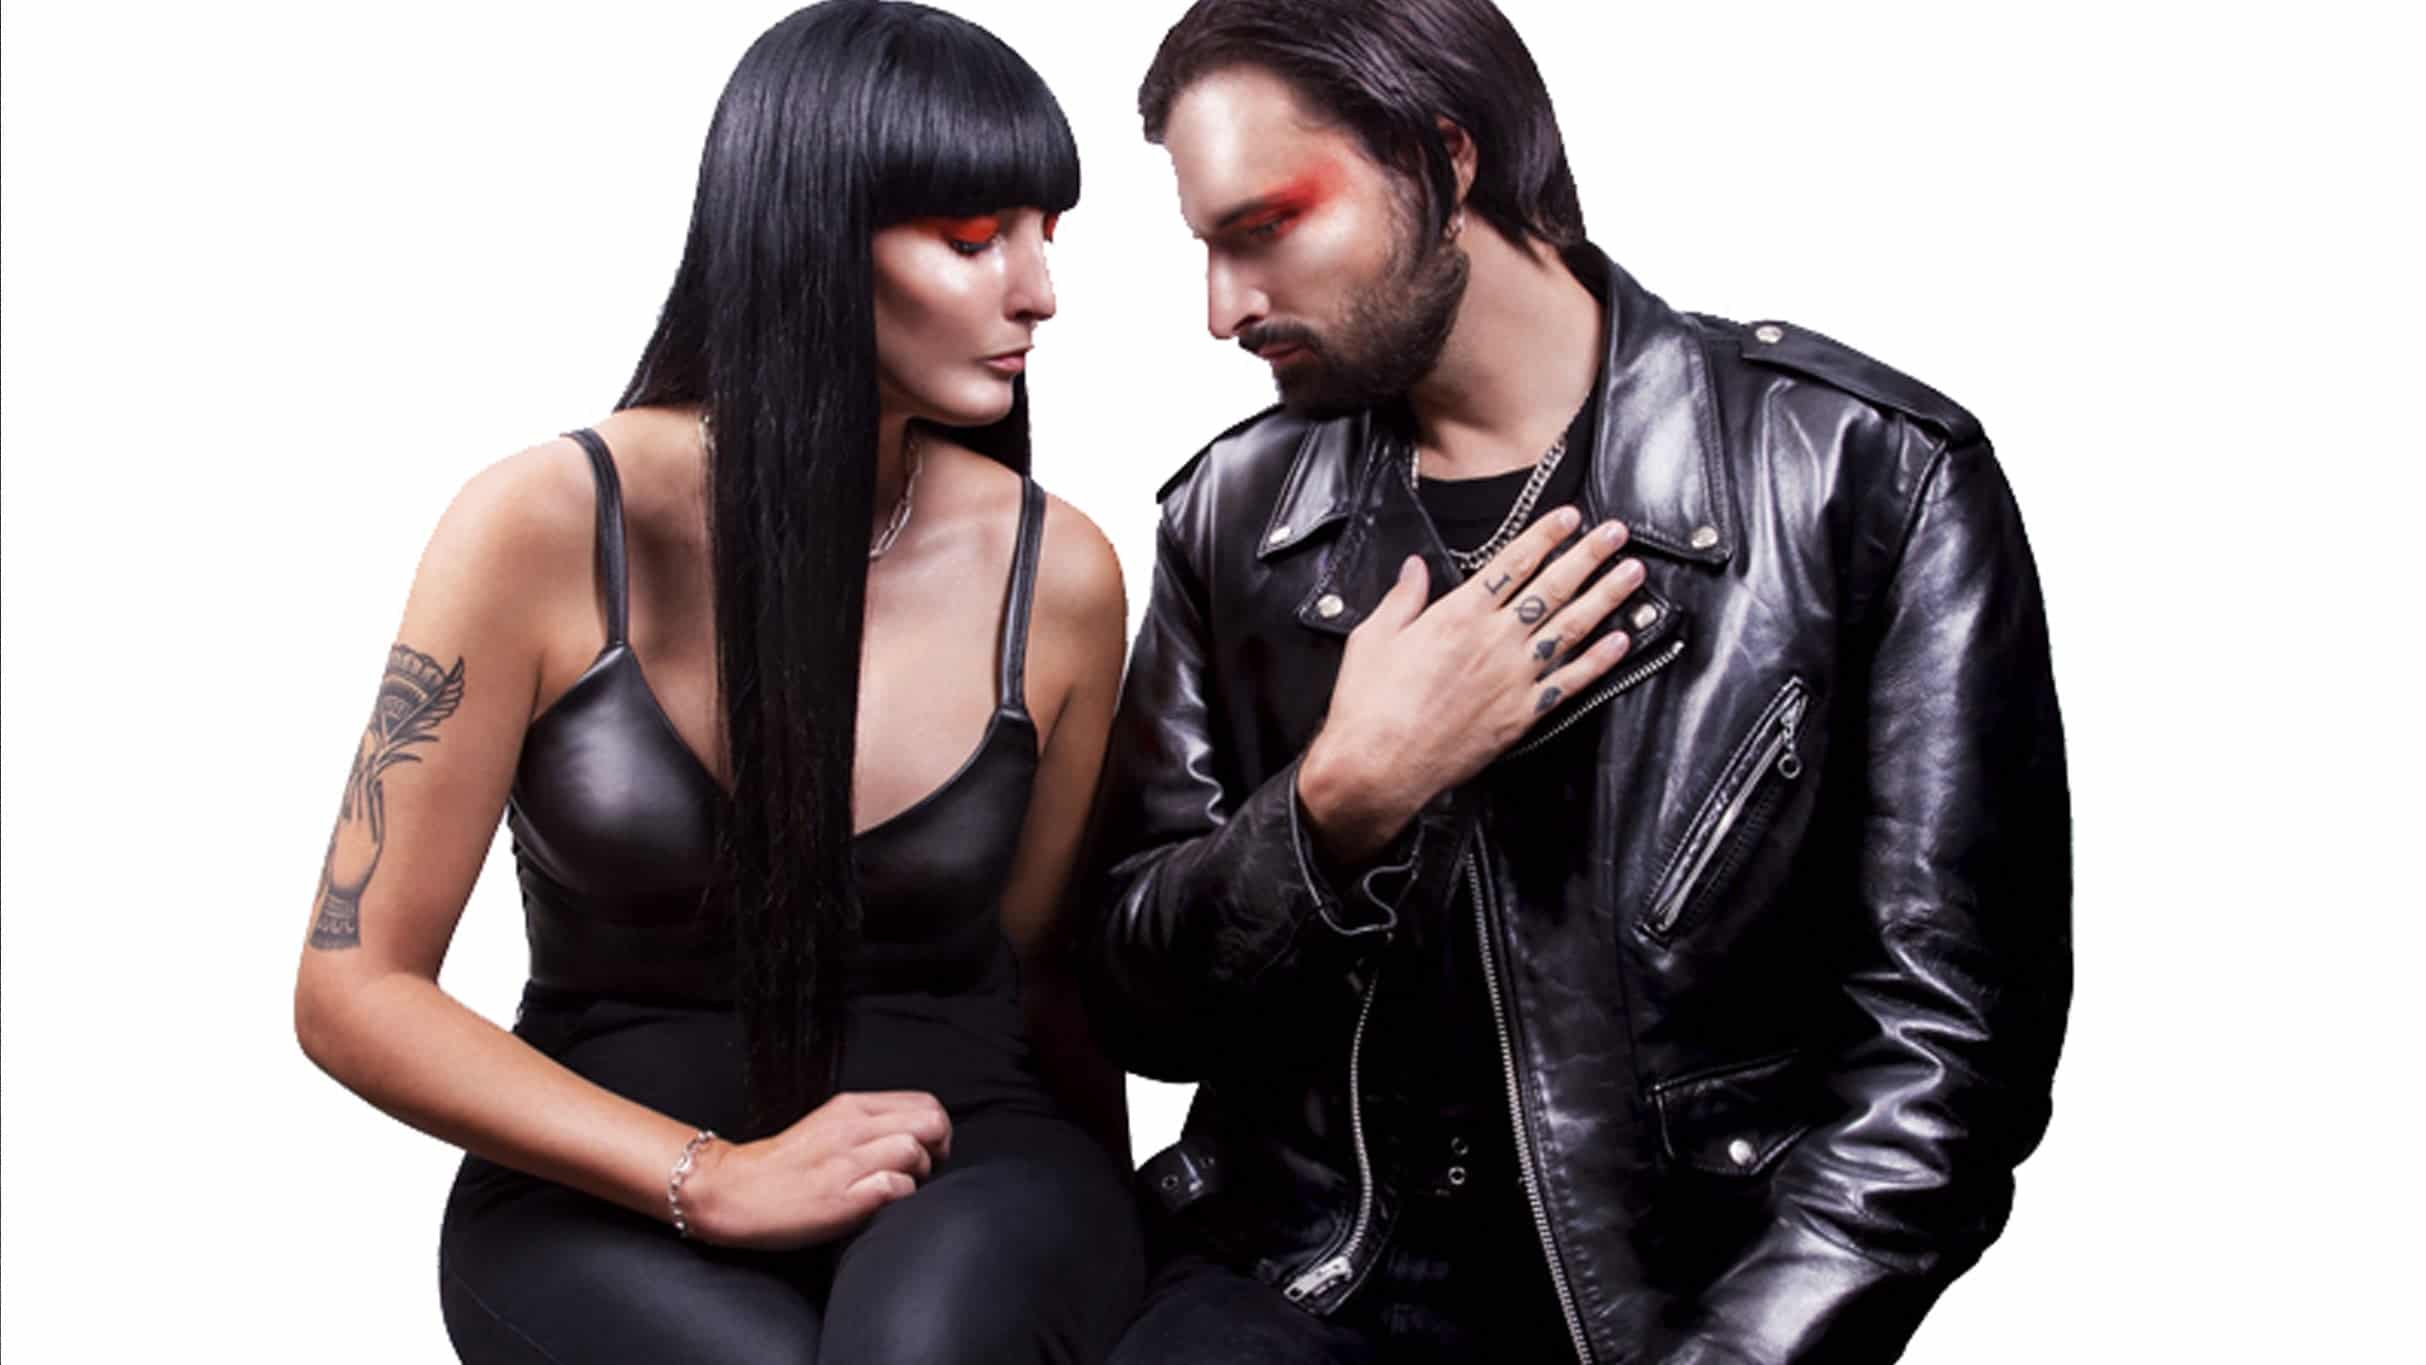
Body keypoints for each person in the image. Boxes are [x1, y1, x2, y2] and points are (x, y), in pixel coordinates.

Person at [1084, 1, 2071, 1361]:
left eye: (1265, 227)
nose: (1222, 309)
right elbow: (1138, 1004)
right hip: (1298, 1276)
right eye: (1206, 244)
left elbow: (1945, 1049)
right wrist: (1338, 800)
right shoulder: (1234, 513)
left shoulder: (1866, 479)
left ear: (1444, 159)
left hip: (1669, 1309)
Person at [290, 4, 1142, 1361]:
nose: (1040, 291)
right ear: (808, 233)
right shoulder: (542, 523)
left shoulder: (1063, 574)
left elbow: (1051, 978)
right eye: (974, 238)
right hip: (600, 1183)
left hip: (969, 1163)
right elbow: (353, 987)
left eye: (1049, 234)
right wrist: (712, 1175)